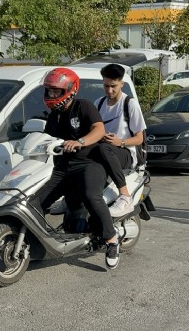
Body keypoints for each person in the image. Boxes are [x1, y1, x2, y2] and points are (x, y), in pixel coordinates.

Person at [30, 67, 122, 270]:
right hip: (62, 168)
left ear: (70, 90)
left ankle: (112, 240)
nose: (52, 95)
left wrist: (80, 141)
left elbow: (99, 129)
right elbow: (47, 139)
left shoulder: (83, 106)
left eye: (56, 91)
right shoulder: (53, 116)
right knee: (35, 202)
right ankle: (40, 240)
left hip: (89, 164)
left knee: (91, 196)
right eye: (50, 91)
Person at [92, 64, 146, 218]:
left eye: (113, 86)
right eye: (106, 86)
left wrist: (120, 142)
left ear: (121, 83)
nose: (109, 90)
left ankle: (125, 196)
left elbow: (140, 138)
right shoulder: (99, 104)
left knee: (104, 149)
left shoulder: (130, 104)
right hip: (105, 150)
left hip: (126, 153)